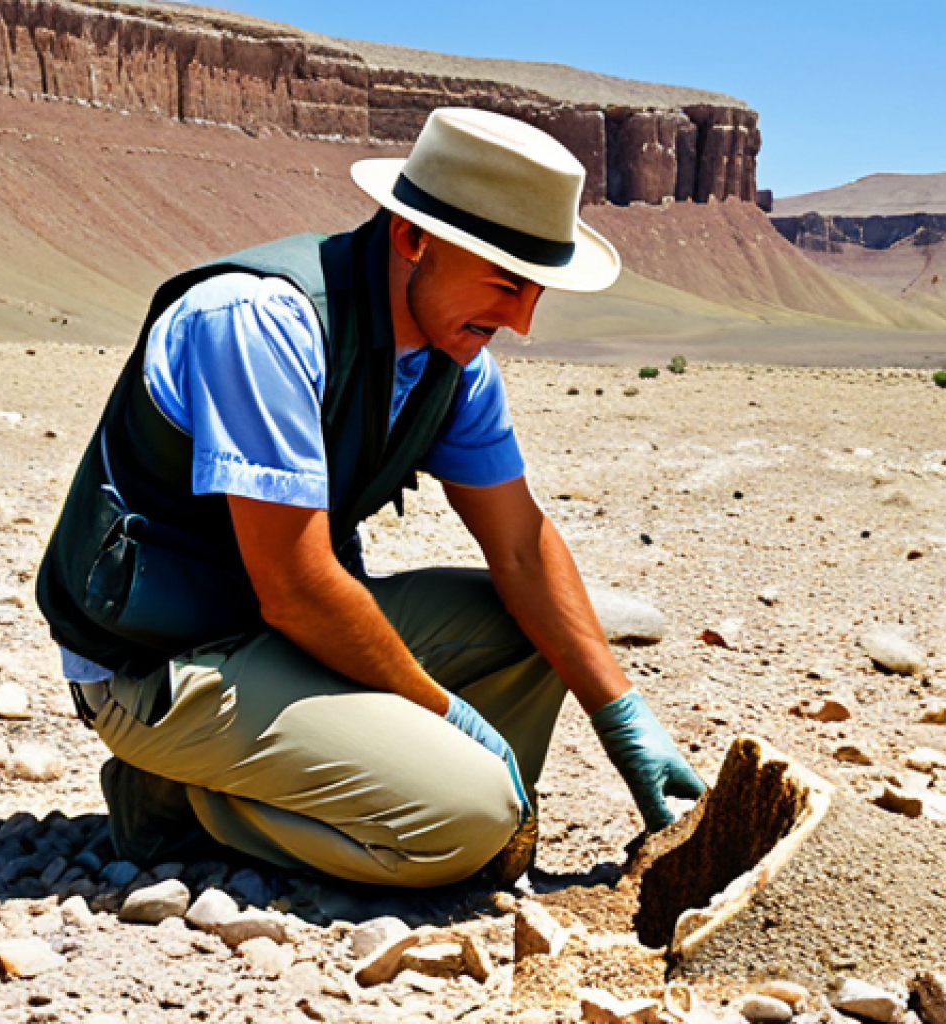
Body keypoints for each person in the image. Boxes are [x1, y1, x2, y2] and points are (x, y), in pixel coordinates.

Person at [37, 108, 704, 887]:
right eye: (504, 282)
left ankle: (376, 788)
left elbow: (521, 546)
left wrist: (621, 716)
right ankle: (182, 802)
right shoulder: (260, 322)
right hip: (156, 663)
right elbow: (294, 587)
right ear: (412, 238)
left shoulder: (456, 365)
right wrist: (443, 712)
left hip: (270, 639)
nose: (521, 320)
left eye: (537, 290)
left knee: (539, 633)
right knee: (471, 820)